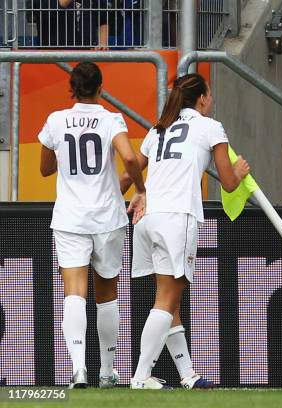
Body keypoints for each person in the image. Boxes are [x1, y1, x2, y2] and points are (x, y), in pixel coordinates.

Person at [121, 73, 250, 390]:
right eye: (211, 94)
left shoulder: (158, 128)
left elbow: (129, 173)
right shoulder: (210, 127)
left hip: (147, 217)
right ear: (203, 98)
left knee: (169, 300)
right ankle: (140, 377)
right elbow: (230, 183)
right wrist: (240, 170)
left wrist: (132, 192)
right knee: (166, 299)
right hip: (177, 217)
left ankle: (187, 374)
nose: (212, 100)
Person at [38, 61, 146, 388]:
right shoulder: (111, 118)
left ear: (72, 88)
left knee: (73, 292)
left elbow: (44, 169)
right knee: (107, 293)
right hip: (107, 216)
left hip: (71, 217)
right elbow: (129, 158)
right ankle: (107, 371)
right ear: (101, 88)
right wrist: (141, 189)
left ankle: (78, 368)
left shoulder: (56, 120)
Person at [32, 0, 109, 49]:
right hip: (54, 57)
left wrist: (102, 44)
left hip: (87, 57)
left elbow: (102, 21)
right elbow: (54, 9)